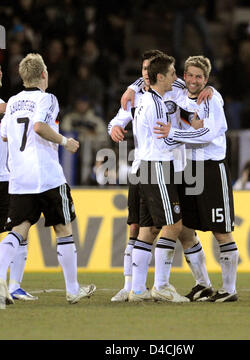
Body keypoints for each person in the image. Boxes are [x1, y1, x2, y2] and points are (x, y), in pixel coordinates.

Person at [110, 51, 213, 302]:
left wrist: (206, 90)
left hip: (161, 167)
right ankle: (160, 286)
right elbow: (165, 139)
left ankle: (137, 290)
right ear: (159, 76)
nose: (177, 78)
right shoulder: (151, 101)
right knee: (171, 225)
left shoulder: (155, 94)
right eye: (173, 73)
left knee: (152, 228)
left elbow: (189, 90)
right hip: (158, 167)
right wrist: (193, 133)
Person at [0, 53, 96, 307]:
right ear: (44, 75)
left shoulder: (12, 102)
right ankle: (73, 289)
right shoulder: (47, 98)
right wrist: (66, 141)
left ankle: (0, 282)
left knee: (17, 230)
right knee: (63, 228)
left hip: (19, 178)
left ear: (22, 77)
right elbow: (39, 127)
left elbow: (6, 137)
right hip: (47, 176)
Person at [154, 55, 239, 302]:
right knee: (185, 229)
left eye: (199, 77)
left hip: (211, 169)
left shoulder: (212, 98)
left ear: (206, 79)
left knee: (221, 230)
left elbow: (209, 134)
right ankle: (203, 284)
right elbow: (150, 75)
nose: (193, 80)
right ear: (183, 75)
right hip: (187, 168)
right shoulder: (179, 89)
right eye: (189, 75)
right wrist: (130, 88)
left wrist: (175, 132)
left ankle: (229, 289)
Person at [0, 64, 37, 301]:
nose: (0, 73)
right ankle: (12, 285)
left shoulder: (7, 103)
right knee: (20, 227)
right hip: (5, 178)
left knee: (21, 228)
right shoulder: (7, 105)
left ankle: (14, 285)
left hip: (9, 176)